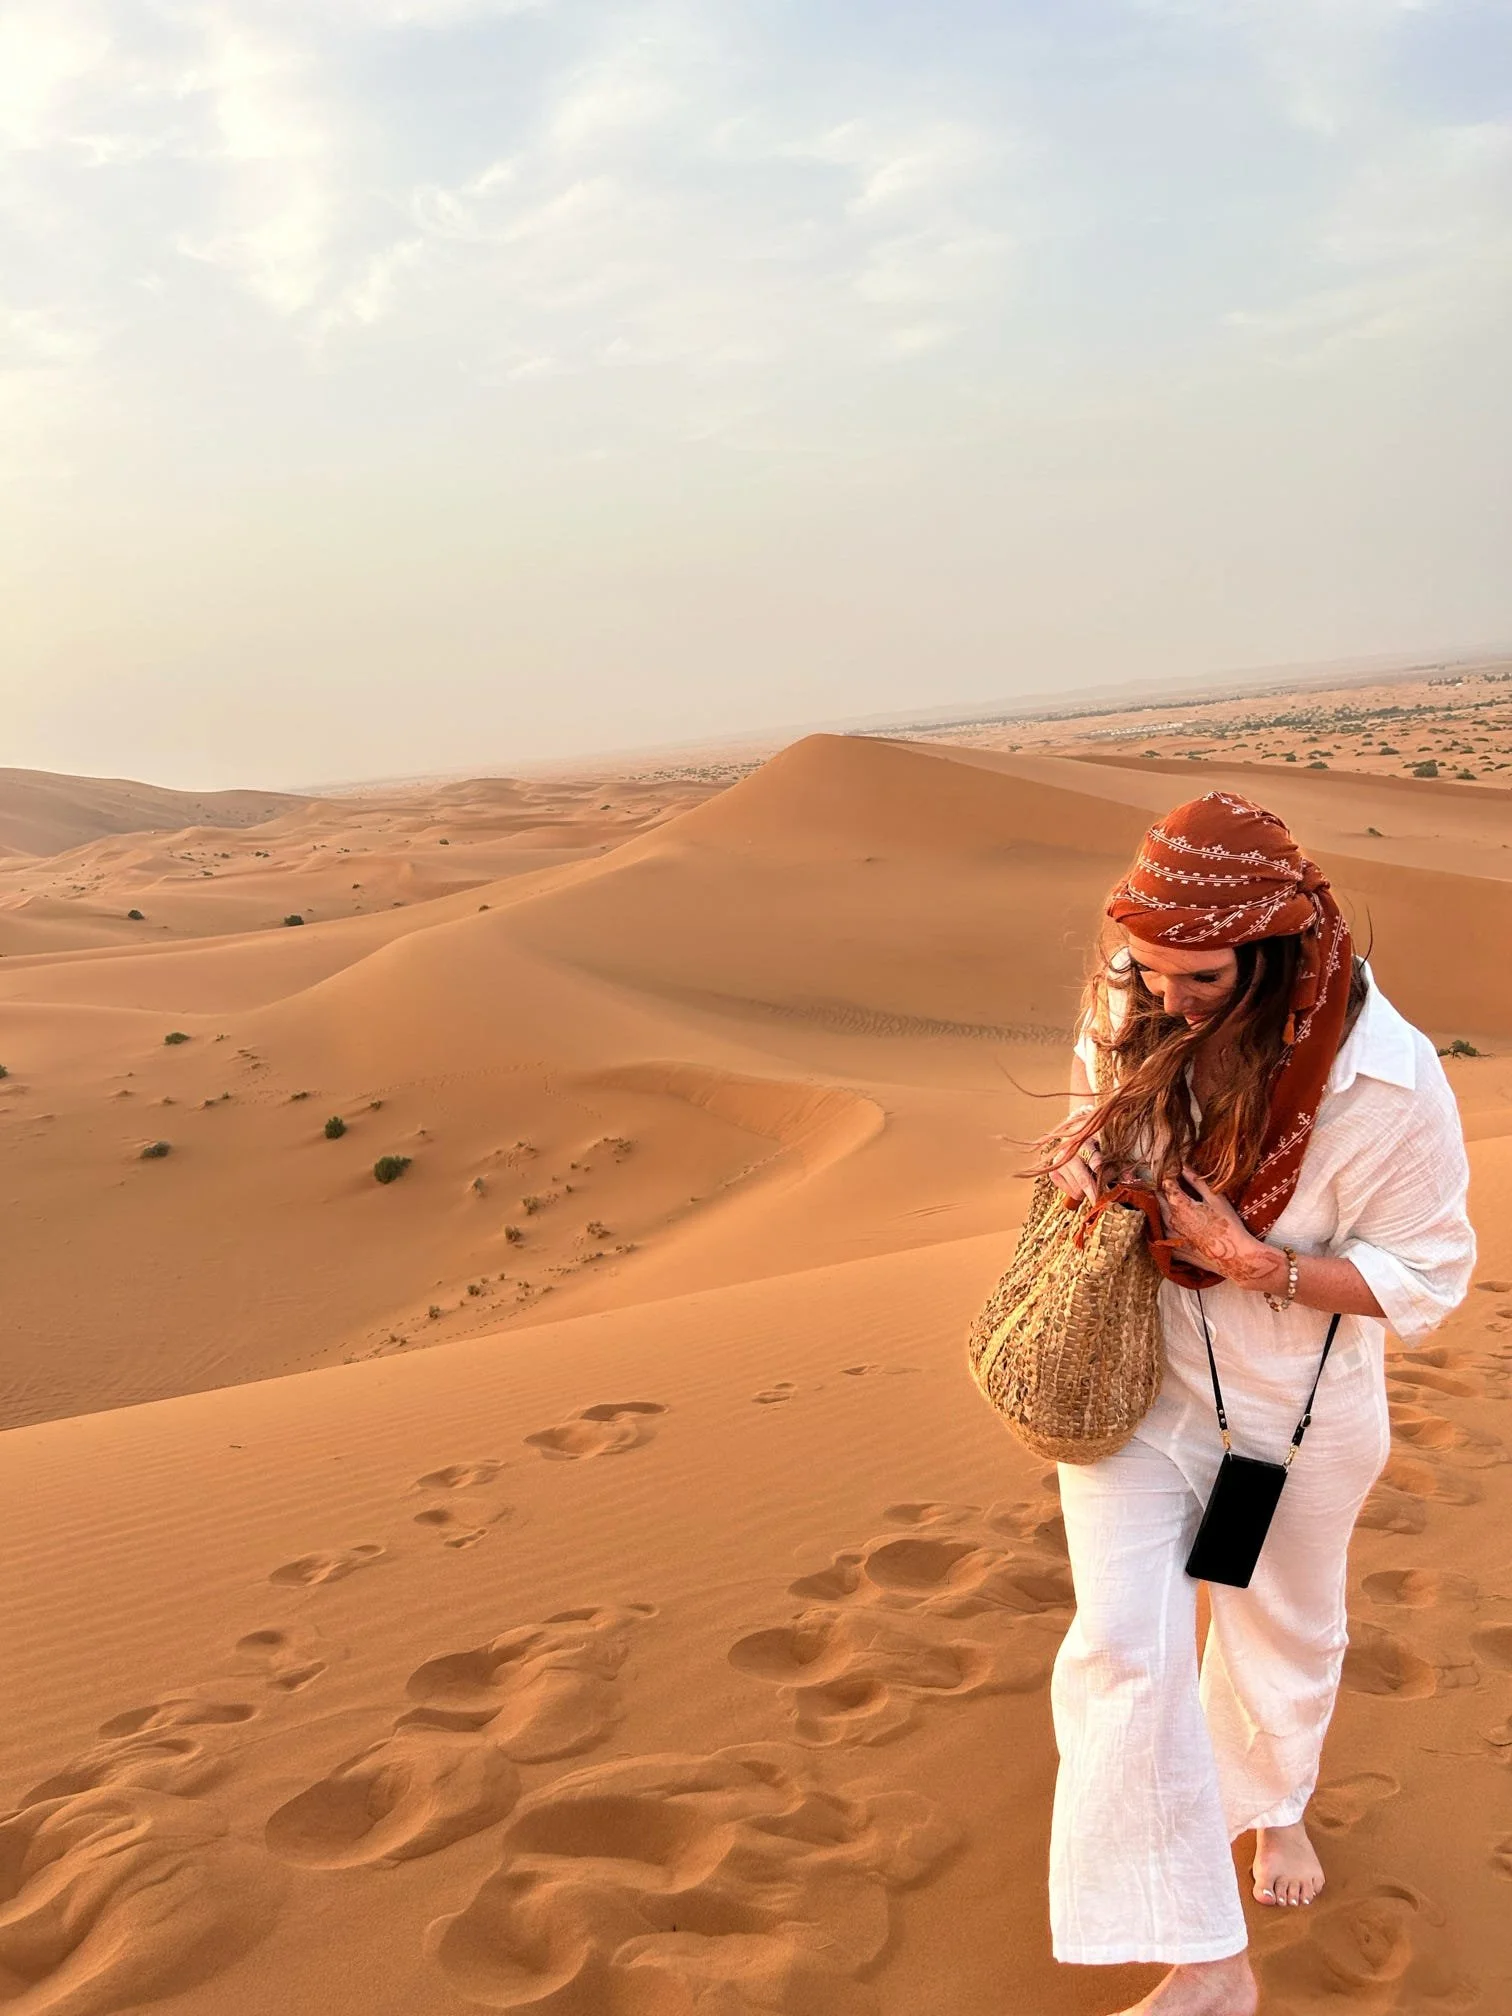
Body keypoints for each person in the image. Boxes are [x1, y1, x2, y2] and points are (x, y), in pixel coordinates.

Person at [1034, 790, 1474, 2016]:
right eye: (1149, 969)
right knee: (1122, 1649)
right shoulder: (1132, 997)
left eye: (1202, 976)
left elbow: (1429, 1276)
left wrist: (1259, 1264)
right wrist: (1086, 1156)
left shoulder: (1387, 1084)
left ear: (1276, 951)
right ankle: (1207, 1960)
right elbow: (1092, 1118)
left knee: (1276, 1629)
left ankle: (1275, 1808)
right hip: (1137, 1382)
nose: (1164, 998)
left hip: (1295, 1413)